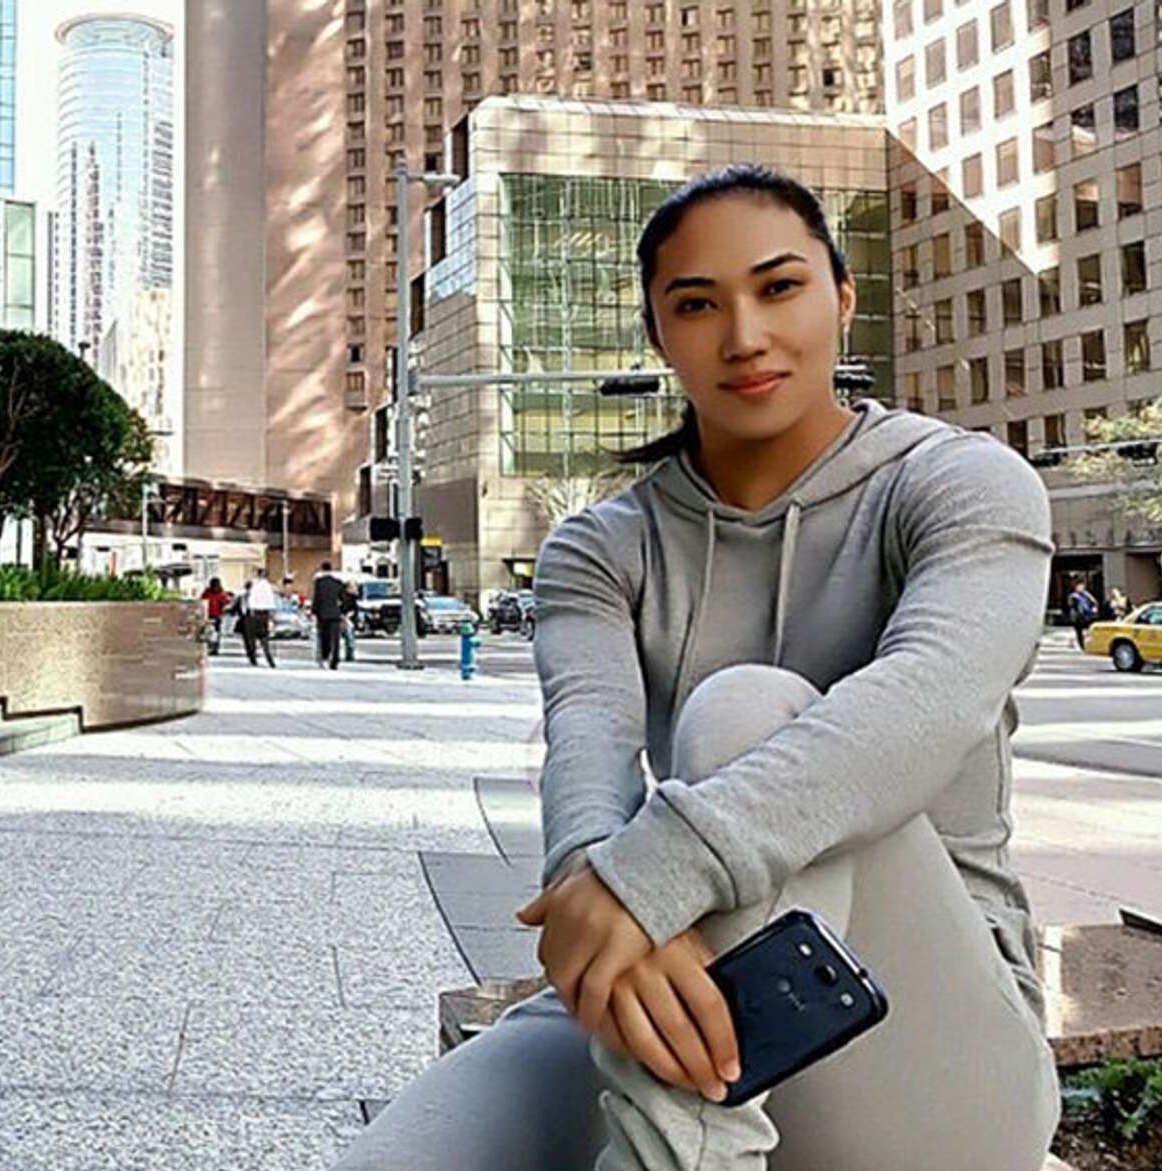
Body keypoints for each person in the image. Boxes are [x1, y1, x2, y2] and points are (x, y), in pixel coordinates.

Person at [338, 165, 1059, 1170]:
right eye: (695, 304)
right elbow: (585, 772)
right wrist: (605, 887)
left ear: (842, 298)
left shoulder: (960, 485)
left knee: (746, 711)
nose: (744, 336)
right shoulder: (602, 548)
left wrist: (644, 879)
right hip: (676, 981)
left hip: (933, 1066)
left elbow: (928, 704)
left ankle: (681, 1155)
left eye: (779, 287)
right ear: (657, 334)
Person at [311, 562, 350, 670]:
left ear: (322, 569)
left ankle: (325, 657)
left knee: (324, 637)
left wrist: (314, 612)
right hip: (335, 614)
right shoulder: (338, 582)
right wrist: (343, 611)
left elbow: (317, 598)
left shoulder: (319, 583)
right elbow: (344, 599)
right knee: (335, 638)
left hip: (322, 614)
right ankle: (335, 660)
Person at [241, 569, 278, 668]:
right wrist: (272, 616)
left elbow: (248, 598)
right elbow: (271, 602)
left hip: (253, 614)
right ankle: (269, 659)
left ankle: (253, 658)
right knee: (264, 638)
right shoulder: (269, 586)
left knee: (251, 638)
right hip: (264, 614)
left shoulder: (253, 584)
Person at [199, 577, 232, 656]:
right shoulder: (218, 592)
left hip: (212, 615)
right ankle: (213, 648)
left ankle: (212, 648)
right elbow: (227, 602)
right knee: (214, 633)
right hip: (212, 615)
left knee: (212, 632)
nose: (215, 586)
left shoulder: (210, 592)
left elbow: (227, 602)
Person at [1066, 580, 1099, 649]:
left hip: (1088, 615)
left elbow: (1094, 602)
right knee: (1079, 631)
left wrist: (1090, 598)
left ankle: (1089, 643)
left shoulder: (1086, 595)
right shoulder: (1074, 596)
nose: (1081, 588)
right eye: (1079, 586)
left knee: (1089, 630)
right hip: (1078, 616)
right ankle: (1082, 645)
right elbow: (1070, 605)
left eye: (1082, 586)